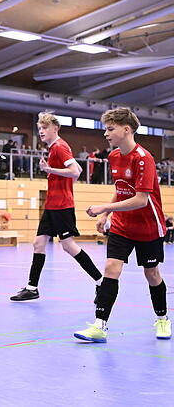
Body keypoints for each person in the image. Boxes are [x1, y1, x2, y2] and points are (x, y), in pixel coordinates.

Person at [74, 107, 170, 342]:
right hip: (122, 226)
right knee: (111, 269)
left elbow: (140, 199)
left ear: (126, 129)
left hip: (148, 226)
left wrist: (104, 208)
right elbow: (120, 190)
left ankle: (162, 319)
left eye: (110, 129)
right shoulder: (114, 156)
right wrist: (106, 216)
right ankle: (99, 326)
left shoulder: (143, 159)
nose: (105, 133)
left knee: (152, 273)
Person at [11, 112, 102, 302]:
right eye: (39, 129)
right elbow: (78, 170)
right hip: (52, 205)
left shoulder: (60, 147)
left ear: (55, 129)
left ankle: (101, 282)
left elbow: (75, 171)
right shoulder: (54, 148)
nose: (41, 132)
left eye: (44, 128)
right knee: (38, 244)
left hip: (61, 206)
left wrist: (49, 170)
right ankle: (32, 287)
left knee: (69, 246)